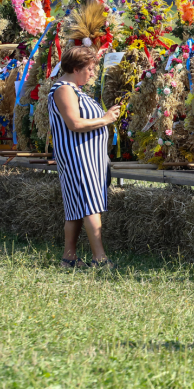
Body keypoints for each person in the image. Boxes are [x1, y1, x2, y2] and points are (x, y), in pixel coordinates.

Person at [49, 45, 121, 269]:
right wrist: (106, 119)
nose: (92, 73)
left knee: (76, 209)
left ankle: (69, 259)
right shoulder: (64, 90)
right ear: (76, 68)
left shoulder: (74, 90)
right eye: (89, 69)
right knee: (90, 206)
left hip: (88, 156)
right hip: (78, 156)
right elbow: (75, 123)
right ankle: (100, 259)